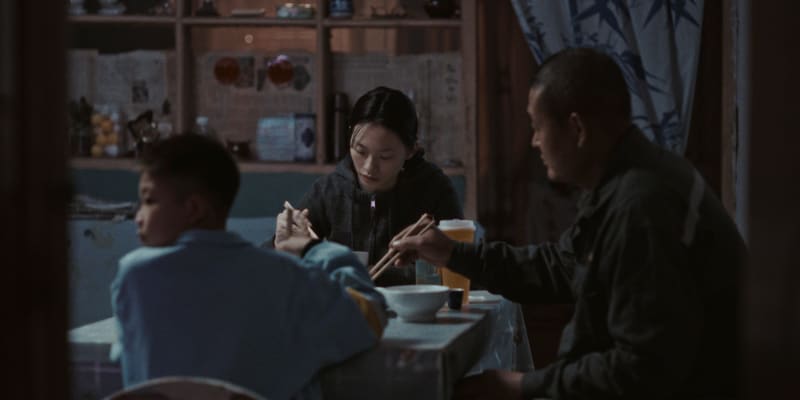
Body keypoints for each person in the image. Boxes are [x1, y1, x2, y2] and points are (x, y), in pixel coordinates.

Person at [391, 48, 746, 399]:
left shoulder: (642, 205)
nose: (534, 142)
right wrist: (451, 254)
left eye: (537, 126)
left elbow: (641, 370)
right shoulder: (626, 181)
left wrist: (517, 386)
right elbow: (559, 267)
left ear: (576, 128)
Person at [111, 133, 386, 400]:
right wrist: (311, 248)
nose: (138, 216)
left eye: (149, 201)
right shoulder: (282, 276)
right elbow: (369, 314)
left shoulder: (133, 276)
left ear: (194, 208)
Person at [275, 86, 463, 286]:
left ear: (411, 150)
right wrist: (282, 242)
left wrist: (363, 274)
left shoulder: (434, 189)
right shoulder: (329, 190)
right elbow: (278, 267)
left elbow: (462, 267)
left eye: (385, 156)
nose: (368, 167)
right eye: (361, 151)